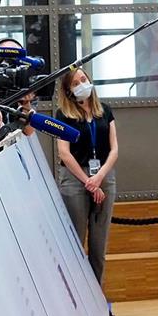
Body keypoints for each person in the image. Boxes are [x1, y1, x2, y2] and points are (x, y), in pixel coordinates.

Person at [53, 67, 118, 284]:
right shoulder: (64, 115)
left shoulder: (105, 111)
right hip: (75, 179)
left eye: (84, 79)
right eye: (75, 83)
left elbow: (114, 149)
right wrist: (88, 181)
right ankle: (75, 297)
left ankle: (96, 296)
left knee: (99, 246)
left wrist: (99, 178)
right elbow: (63, 152)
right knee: (75, 241)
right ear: (69, 91)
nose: (82, 84)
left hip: (103, 177)